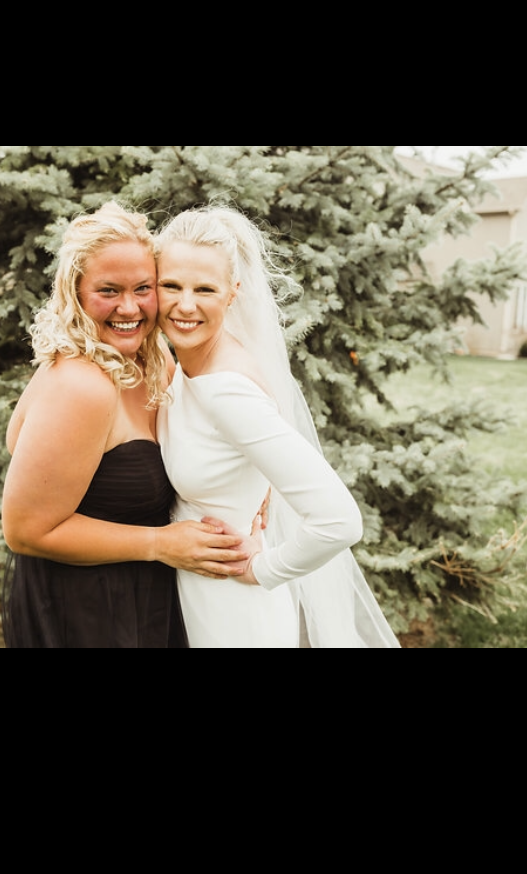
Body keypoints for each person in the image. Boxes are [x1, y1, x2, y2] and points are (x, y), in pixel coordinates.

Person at [0, 202, 251, 648]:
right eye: (109, 290)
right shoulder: (82, 383)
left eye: (144, 288)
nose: (129, 307)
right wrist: (160, 544)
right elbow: (24, 530)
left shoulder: (152, 364)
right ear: (75, 292)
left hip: (141, 594)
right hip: (90, 609)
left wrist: (256, 488)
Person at [154, 206, 401, 649]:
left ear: (233, 294)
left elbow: (339, 520)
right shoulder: (186, 368)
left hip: (231, 614)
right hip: (191, 601)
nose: (184, 304)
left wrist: (262, 568)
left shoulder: (228, 391)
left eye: (204, 289)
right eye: (170, 285)